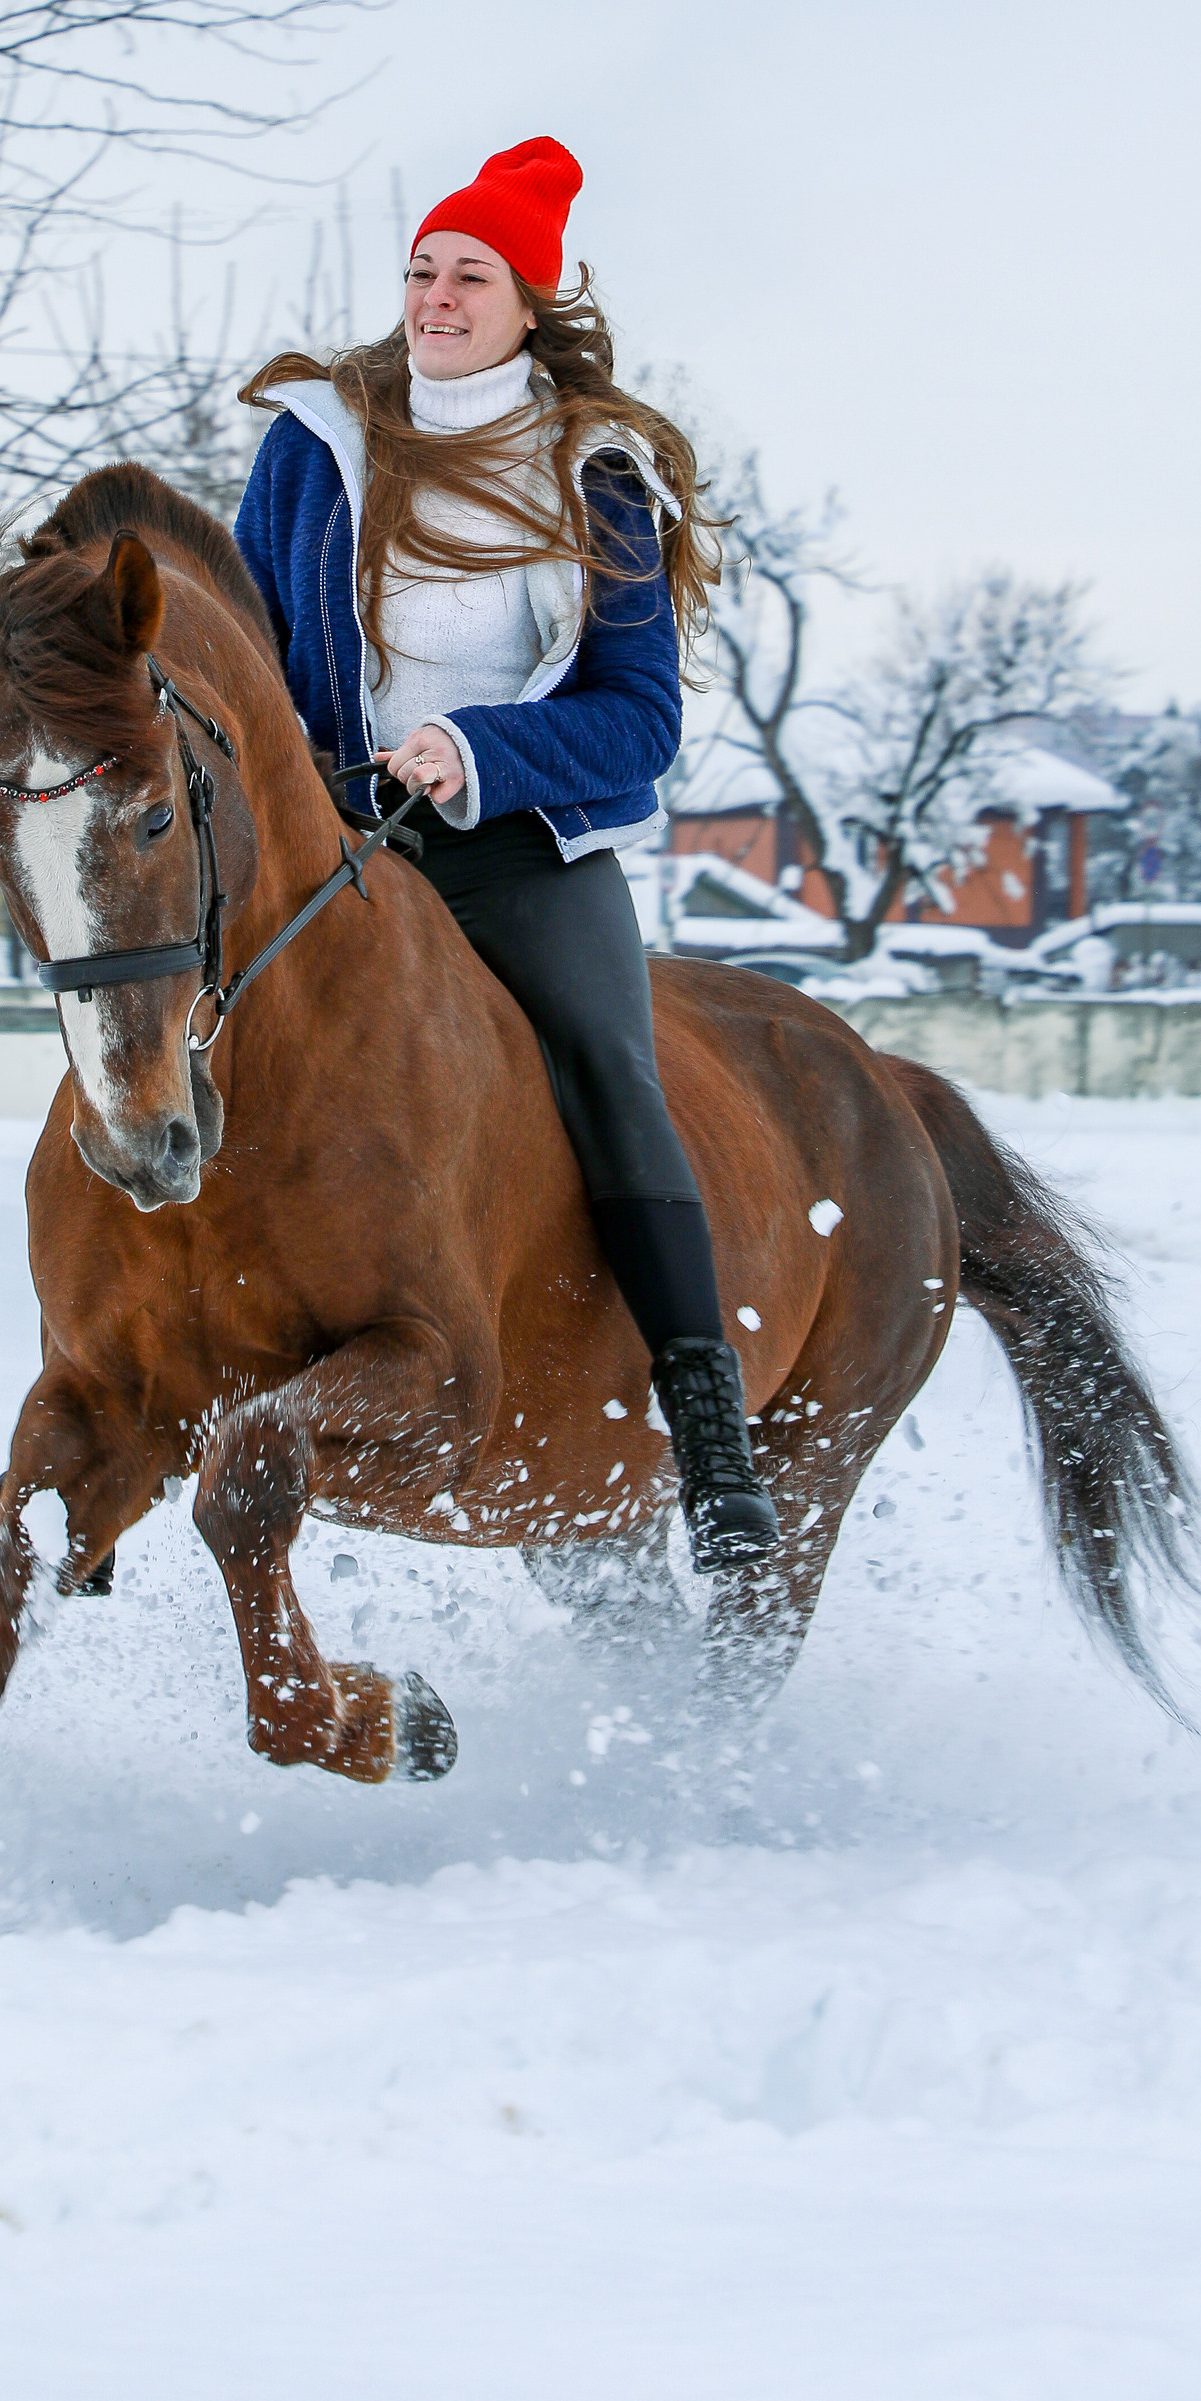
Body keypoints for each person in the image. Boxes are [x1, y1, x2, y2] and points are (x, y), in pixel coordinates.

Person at [234, 134, 781, 1568]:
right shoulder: (314, 444)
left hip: (517, 852)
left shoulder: (595, 474)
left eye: (469, 273)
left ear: (529, 298)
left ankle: (710, 1430)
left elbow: (638, 719)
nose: (435, 294)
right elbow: (240, 638)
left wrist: (479, 750)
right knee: (176, 1035)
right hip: (334, 848)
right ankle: (98, 1394)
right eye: (421, 270)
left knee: (610, 1071)